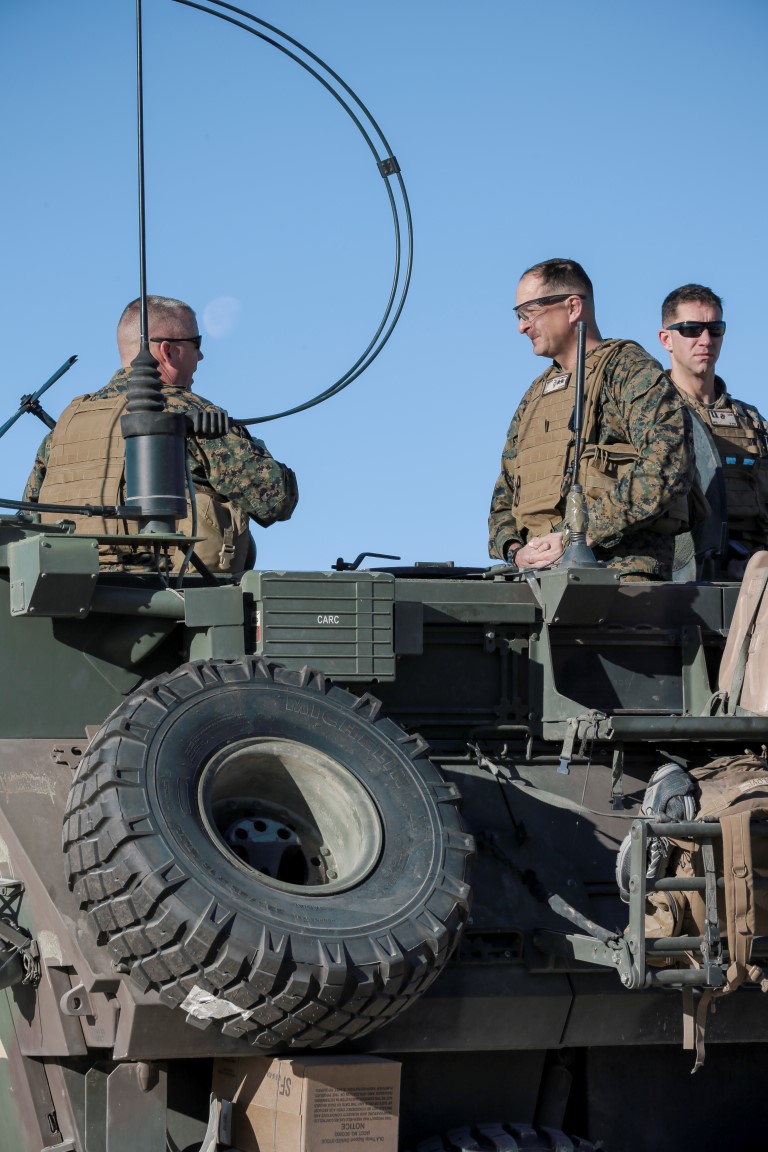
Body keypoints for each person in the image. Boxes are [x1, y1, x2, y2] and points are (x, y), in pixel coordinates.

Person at [24, 296, 298, 573]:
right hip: (178, 599)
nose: (201, 356)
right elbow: (276, 499)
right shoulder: (189, 413)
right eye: (197, 344)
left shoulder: (65, 427)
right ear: (168, 351)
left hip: (76, 596)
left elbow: (26, 520)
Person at [488, 259, 694, 580]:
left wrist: (581, 534)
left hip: (617, 579)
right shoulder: (535, 395)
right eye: (519, 315)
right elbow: (504, 495)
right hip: (536, 582)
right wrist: (516, 551)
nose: (522, 326)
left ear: (572, 307)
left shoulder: (627, 369)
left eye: (529, 312)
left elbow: (669, 463)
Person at [659, 283, 768, 578]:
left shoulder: (751, 421)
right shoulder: (653, 416)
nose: (705, 339)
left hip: (751, 564)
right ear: (666, 339)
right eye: (692, 329)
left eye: (714, 329)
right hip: (680, 569)